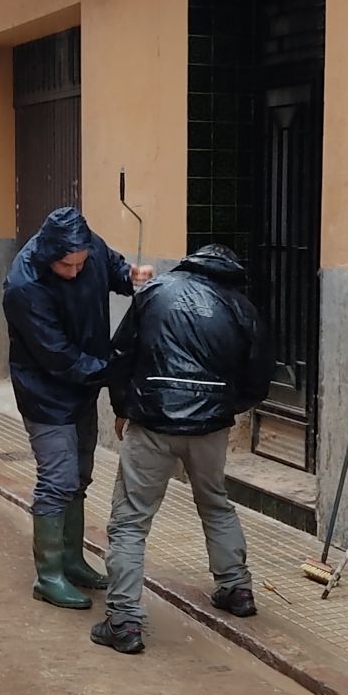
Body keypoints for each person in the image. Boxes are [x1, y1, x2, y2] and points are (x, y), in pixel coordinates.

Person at [91, 244, 275, 655]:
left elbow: (120, 355)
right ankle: (237, 589)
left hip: (152, 422)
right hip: (209, 427)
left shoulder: (156, 291)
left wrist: (123, 409)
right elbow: (259, 378)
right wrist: (225, 408)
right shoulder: (243, 308)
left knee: (130, 521)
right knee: (215, 502)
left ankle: (123, 621)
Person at [2, 205, 151, 610]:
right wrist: (112, 371)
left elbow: (113, 268)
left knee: (80, 476)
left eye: (81, 263)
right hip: (46, 393)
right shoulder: (24, 285)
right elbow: (59, 356)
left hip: (85, 387)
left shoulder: (89, 250)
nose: (75, 271)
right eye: (67, 266)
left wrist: (130, 276)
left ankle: (72, 559)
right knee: (57, 479)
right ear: (50, 255)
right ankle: (48, 576)